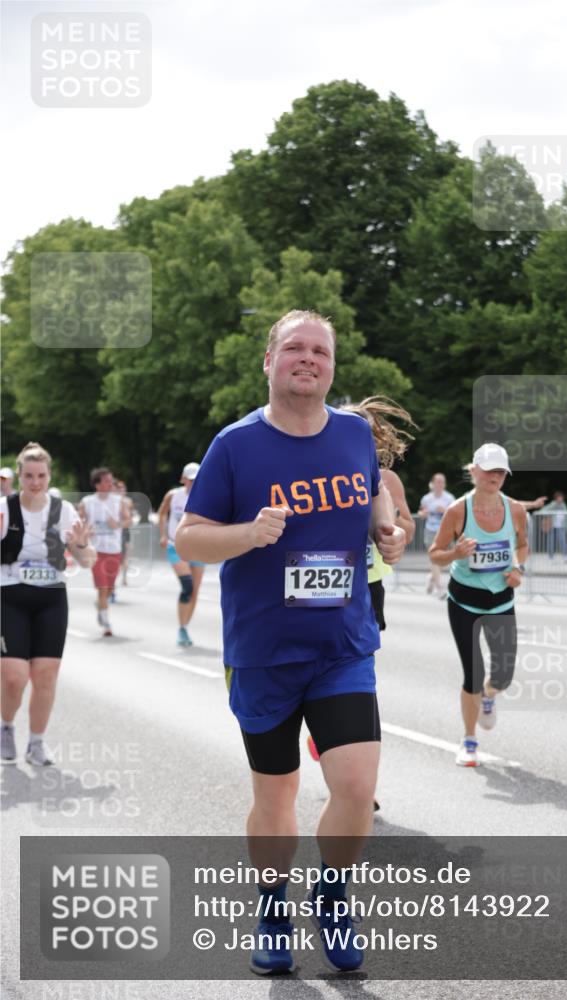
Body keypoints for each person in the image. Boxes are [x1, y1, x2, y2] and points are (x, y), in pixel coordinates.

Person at [176, 310, 405, 974]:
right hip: (262, 654)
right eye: (295, 349)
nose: (308, 359)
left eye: (320, 352)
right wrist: (246, 533)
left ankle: (332, 894)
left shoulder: (354, 435)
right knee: (275, 798)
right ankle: (272, 905)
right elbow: (189, 536)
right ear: (269, 361)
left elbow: (371, 501)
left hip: (341, 643)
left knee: (357, 786)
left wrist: (389, 530)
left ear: (331, 367)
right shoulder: (235, 445)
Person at [306, 396, 416, 790]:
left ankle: (347, 758)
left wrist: (398, 531)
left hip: (369, 583)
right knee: (324, 658)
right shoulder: (318, 467)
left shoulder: (386, 479)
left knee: (358, 665)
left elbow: (406, 523)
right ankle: (326, 726)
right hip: (327, 579)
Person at [429, 443, 528, 767]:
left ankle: (489, 696)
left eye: (501, 471)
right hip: (464, 602)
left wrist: (518, 568)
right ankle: (469, 741)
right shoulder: (458, 510)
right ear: (473, 471)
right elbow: (435, 553)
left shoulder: (515, 510)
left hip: (501, 601)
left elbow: (523, 546)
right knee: (474, 673)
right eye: (489, 470)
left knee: (503, 676)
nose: (495, 476)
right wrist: (456, 554)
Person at [1, 443, 95, 766]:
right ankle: (6, 727)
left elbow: (86, 560)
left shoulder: (63, 511)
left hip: (51, 597)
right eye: (29, 476)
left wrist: (81, 544)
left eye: (41, 475)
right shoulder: (4, 508)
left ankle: (37, 743)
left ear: (49, 475)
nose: (35, 482)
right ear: (20, 476)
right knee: (13, 676)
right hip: (10, 595)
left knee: (45, 675)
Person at [157, 463, 205, 647]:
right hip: (175, 545)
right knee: (187, 586)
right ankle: (182, 628)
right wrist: (162, 533)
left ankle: (184, 627)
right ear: (183, 479)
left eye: (196, 479)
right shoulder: (173, 495)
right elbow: (162, 514)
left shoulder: (206, 495)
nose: (193, 483)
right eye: (190, 479)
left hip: (198, 547)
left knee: (194, 591)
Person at [80, 468, 131, 636]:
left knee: (109, 588)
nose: (111, 484)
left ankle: (100, 605)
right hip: (96, 551)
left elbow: (128, 520)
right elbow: (78, 523)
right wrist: (85, 531)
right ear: (97, 484)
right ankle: (106, 622)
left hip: (114, 550)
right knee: (102, 587)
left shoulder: (119, 501)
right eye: (107, 481)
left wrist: (118, 524)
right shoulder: (87, 502)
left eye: (111, 480)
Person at [418, 473, 454, 595]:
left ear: (445, 484)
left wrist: (445, 511)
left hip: (444, 531)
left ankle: (431, 578)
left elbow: (455, 516)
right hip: (430, 530)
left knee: (443, 560)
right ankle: (439, 587)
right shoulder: (426, 498)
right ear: (432, 484)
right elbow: (421, 513)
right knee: (434, 558)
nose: (439, 484)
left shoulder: (449, 498)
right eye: (437, 481)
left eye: (442, 482)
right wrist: (423, 514)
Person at [115, 480, 134, 587]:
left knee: (126, 555)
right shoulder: (112, 501)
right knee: (117, 556)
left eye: (123, 488)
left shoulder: (128, 501)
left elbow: (129, 517)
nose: (122, 490)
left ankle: (124, 578)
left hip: (125, 531)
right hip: (115, 531)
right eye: (120, 488)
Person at [543, 491, 567, 560]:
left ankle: (565, 555)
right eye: (559, 498)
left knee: (562, 540)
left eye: (561, 498)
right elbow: (543, 510)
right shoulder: (552, 504)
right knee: (551, 541)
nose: (560, 499)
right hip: (552, 526)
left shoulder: (564, 505)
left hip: (561, 526)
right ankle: (551, 556)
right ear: (556, 498)